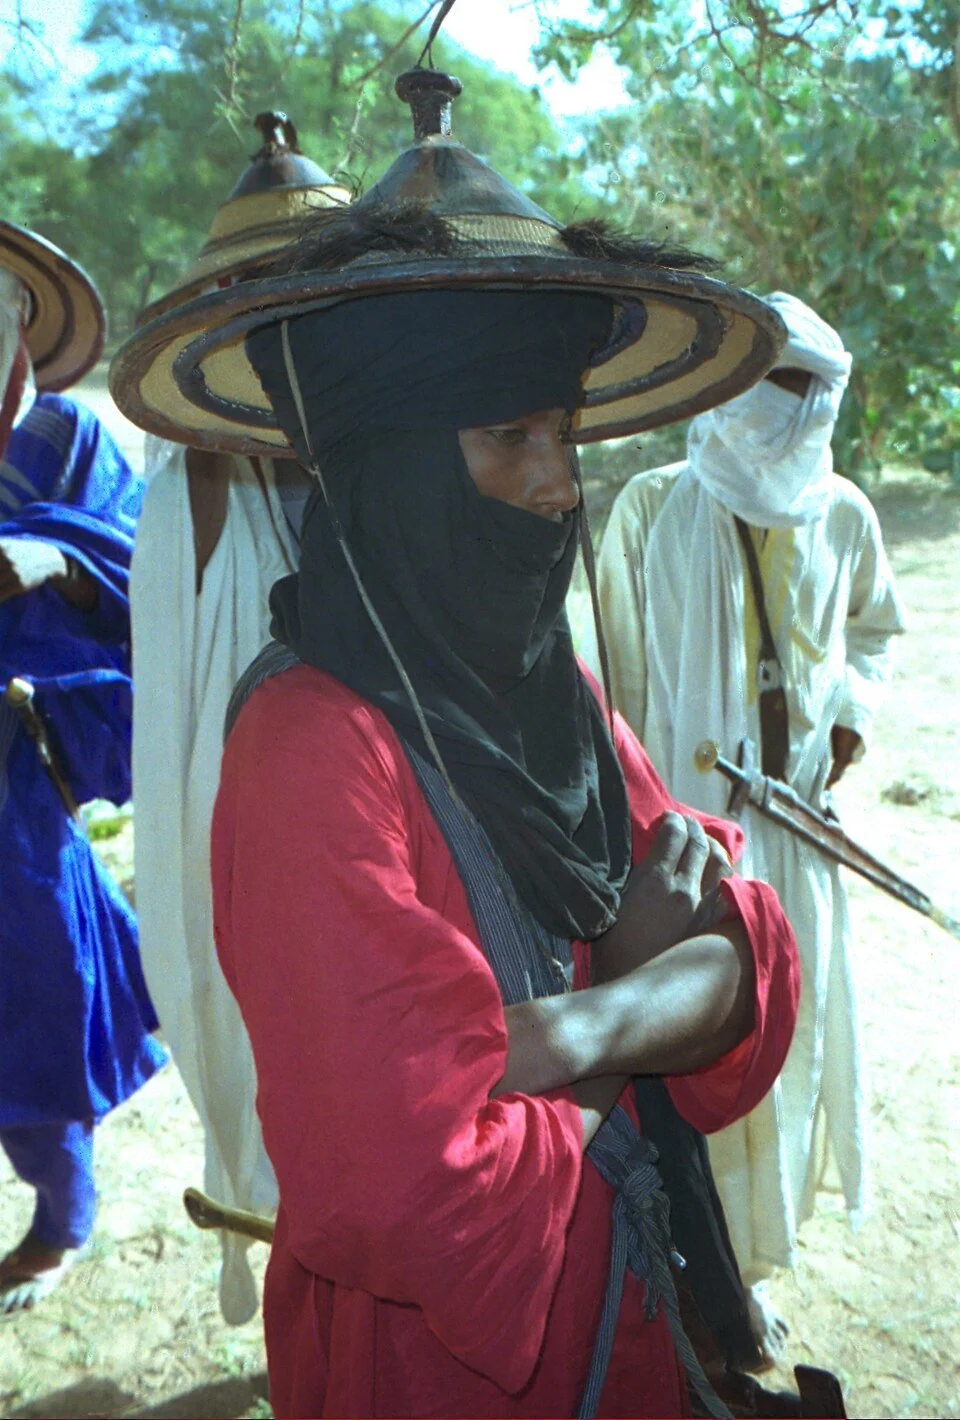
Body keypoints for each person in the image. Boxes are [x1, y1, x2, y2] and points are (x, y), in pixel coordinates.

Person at [113, 70, 800, 1418]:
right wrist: (630, 1003)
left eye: (564, 435)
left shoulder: (554, 691)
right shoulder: (312, 749)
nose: (558, 484)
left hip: (640, 1325)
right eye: (509, 436)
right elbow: (412, 1183)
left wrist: (543, 1034)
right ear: (398, 466)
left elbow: (750, 965)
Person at [591, 291, 905, 1359]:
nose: (788, 412)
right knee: (708, 1063)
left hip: (801, 840)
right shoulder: (648, 510)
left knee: (792, 1042)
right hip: (692, 850)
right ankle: (710, 1271)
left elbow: (871, 630)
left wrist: (849, 723)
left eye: (808, 391)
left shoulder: (846, 514)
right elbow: (622, 695)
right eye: (769, 387)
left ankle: (758, 1264)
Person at [128, 113, 347, 1324]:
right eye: (268, 300)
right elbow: (193, 744)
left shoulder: (378, 450)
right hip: (269, 845)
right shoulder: (199, 481)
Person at [0, 225, 165, 1312]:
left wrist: (57, 569)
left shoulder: (66, 447)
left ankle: (61, 1217)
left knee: (39, 999)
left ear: (19, 336)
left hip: (16, 789)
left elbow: (146, 586)